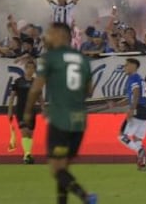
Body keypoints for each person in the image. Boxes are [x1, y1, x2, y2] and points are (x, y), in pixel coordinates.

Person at [23, 23, 97, 204]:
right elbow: (89, 91)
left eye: (49, 33)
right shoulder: (83, 58)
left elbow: (35, 89)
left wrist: (27, 113)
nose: (46, 36)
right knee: (63, 168)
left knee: (56, 169)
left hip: (60, 120)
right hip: (79, 121)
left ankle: (85, 196)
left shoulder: (51, 57)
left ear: (60, 35)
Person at [8, 59, 44, 164]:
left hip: (32, 110)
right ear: (25, 69)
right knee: (24, 132)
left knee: (30, 134)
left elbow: (40, 97)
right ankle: (27, 155)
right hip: (20, 110)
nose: (30, 70)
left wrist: (43, 108)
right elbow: (12, 97)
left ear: (34, 70)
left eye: (32, 68)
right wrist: (9, 111)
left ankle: (28, 153)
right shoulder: (18, 81)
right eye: (28, 68)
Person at [117, 58, 146, 171]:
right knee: (137, 138)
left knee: (122, 135)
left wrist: (132, 109)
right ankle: (142, 164)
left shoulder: (133, 78)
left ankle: (139, 151)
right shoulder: (139, 78)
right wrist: (116, 105)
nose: (125, 67)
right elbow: (130, 98)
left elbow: (136, 93)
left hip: (137, 109)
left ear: (133, 66)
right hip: (145, 110)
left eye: (126, 65)